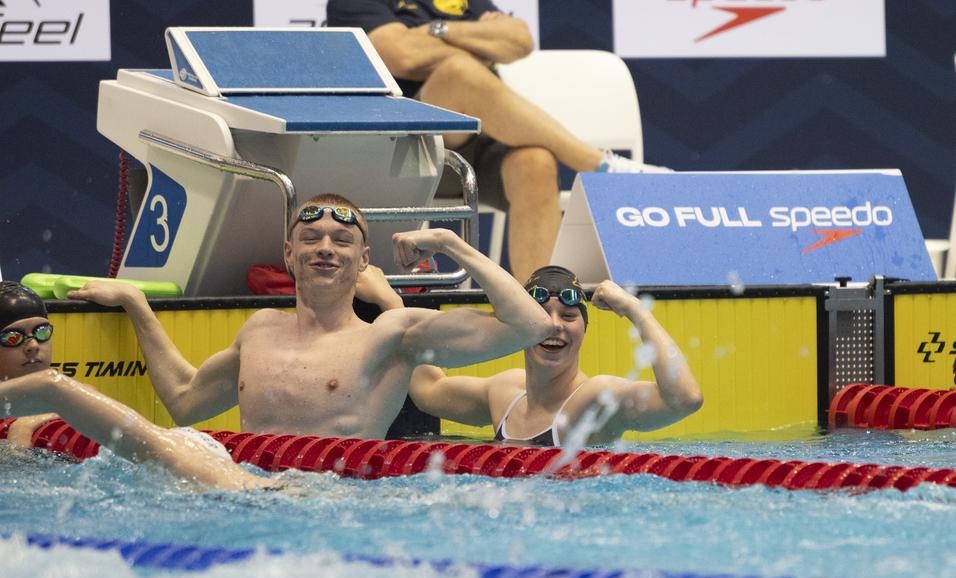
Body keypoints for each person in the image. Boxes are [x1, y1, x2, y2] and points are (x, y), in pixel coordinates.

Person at [67, 194, 552, 440]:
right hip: (252, 500)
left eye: (342, 241)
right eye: (311, 238)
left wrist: (449, 243)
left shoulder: (392, 335)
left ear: (363, 261)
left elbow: (529, 325)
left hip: (339, 513)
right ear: (288, 254)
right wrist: (136, 305)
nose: (325, 248)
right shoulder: (259, 330)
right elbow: (184, 402)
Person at [325, 1, 669, 283]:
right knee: (459, 71)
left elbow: (519, 40)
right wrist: (478, 41)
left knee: (535, 162)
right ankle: (598, 164)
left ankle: (539, 308)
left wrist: (439, 31)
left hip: (476, 146)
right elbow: (402, 56)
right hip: (406, 151)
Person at [0, 281, 274, 491]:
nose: (32, 345)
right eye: (13, 337)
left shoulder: (76, 393)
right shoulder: (53, 393)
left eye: (42, 332)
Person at [409, 266, 703, 446]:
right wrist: (394, 304)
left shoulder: (595, 399)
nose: (554, 325)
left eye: (569, 316)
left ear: (584, 330)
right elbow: (428, 390)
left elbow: (685, 399)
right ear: (520, 329)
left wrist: (634, 309)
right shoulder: (504, 393)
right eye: (542, 315)